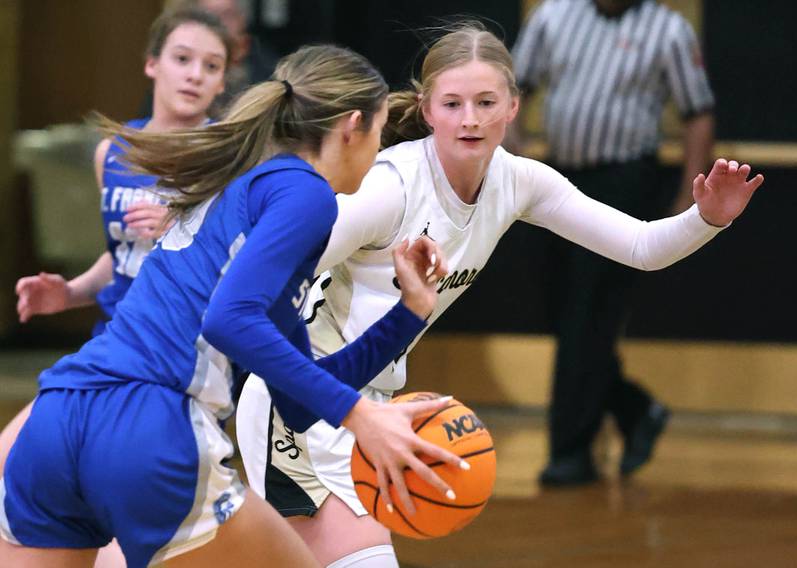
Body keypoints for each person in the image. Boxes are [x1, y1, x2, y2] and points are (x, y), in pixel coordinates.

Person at [235, 23, 762, 568]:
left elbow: (641, 245)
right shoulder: (391, 187)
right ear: (427, 107)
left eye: (486, 102)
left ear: (513, 107)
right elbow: (267, 273)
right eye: (454, 103)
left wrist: (708, 219)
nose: (470, 119)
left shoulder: (519, 181)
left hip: (373, 407)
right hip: (301, 401)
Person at [0, 44, 465, 568]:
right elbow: (229, 319)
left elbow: (298, 401)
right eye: (380, 132)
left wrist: (409, 312)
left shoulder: (244, 185)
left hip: (60, 417)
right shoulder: (306, 194)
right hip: (151, 420)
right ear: (352, 125)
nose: (379, 149)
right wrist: (362, 416)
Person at [2, 10, 232, 566]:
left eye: (211, 65)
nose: (195, 75)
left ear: (225, 81)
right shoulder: (114, 152)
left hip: (176, 362)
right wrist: (71, 292)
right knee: (13, 461)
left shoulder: (222, 155)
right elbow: (120, 257)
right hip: (110, 346)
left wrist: (181, 225)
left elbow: (239, 265)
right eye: (182, 59)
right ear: (152, 64)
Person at [510, 0, 716, 485]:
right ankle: (635, 408)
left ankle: (570, 454)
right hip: (557, 179)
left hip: (625, 181)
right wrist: (513, 158)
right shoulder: (552, 17)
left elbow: (699, 114)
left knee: (588, 314)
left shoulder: (668, 31)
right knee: (563, 314)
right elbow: (512, 88)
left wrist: (691, 199)